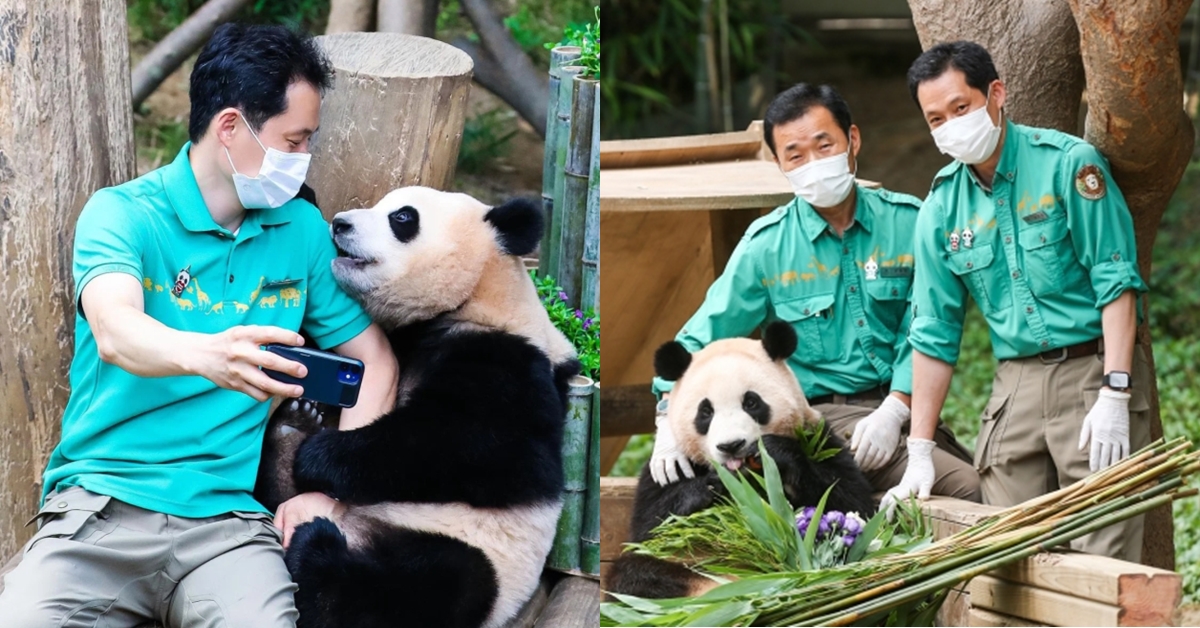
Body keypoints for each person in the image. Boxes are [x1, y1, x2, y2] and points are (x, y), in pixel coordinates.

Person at [0, 24, 399, 626]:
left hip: (226, 525)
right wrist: (207, 354)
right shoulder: (123, 213)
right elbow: (115, 329)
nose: (303, 159)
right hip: (101, 511)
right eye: (293, 140)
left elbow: (377, 364)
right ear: (231, 127)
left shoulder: (300, 231)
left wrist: (333, 494)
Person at [648, 83, 980, 503]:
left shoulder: (910, 222)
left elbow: (925, 326)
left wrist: (895, 408)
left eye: (824, 147)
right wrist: (667, 423)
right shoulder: (766, 246)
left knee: (973, 477)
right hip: (815, 419)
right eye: (796, 155)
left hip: (901, 408)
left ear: (852, 140)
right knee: (965, 488)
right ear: (778, 162)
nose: (813, 164)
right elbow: (696, 340)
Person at [885, 41, 1149, 562]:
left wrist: (1115, 391)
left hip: (1090, 371)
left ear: (996, 94)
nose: (950, 126)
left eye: (961, 108)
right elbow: (933, 331)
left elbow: (1115, 280)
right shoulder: (940, 208)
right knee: (1007, 557)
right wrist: (919, 450)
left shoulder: (1068, 165)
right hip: (1015, 388)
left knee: (1105, 553)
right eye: (935, 119)